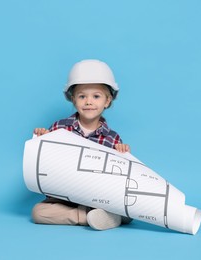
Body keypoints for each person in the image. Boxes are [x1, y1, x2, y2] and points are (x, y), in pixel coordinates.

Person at [31, 59, 132, 230]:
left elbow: (118, 177)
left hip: (97, 198)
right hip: (64, 198)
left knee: (127, 208)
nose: (89, 102)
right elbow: (44, 162)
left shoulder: (113, 138)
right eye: (82, 96)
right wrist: (41, 138)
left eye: (96, 96)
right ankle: (88, 217)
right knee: (38, 212)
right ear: (73, 99)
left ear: (107, 101)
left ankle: (107, 214)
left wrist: (123, 154)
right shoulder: (59, 128)